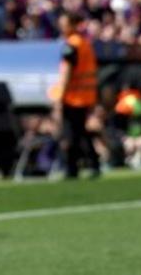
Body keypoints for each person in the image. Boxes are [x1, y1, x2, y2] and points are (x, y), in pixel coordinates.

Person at [55, 11, 100, 179]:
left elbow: (66, 73)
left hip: (73, 97)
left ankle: (72, 168)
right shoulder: (85, 44)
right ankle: (93, 164)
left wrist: (60, 96)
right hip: (86, 96)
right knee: (81, 131)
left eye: (64, 23)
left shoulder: (71, 45)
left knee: (71, 134)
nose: (62, 27)